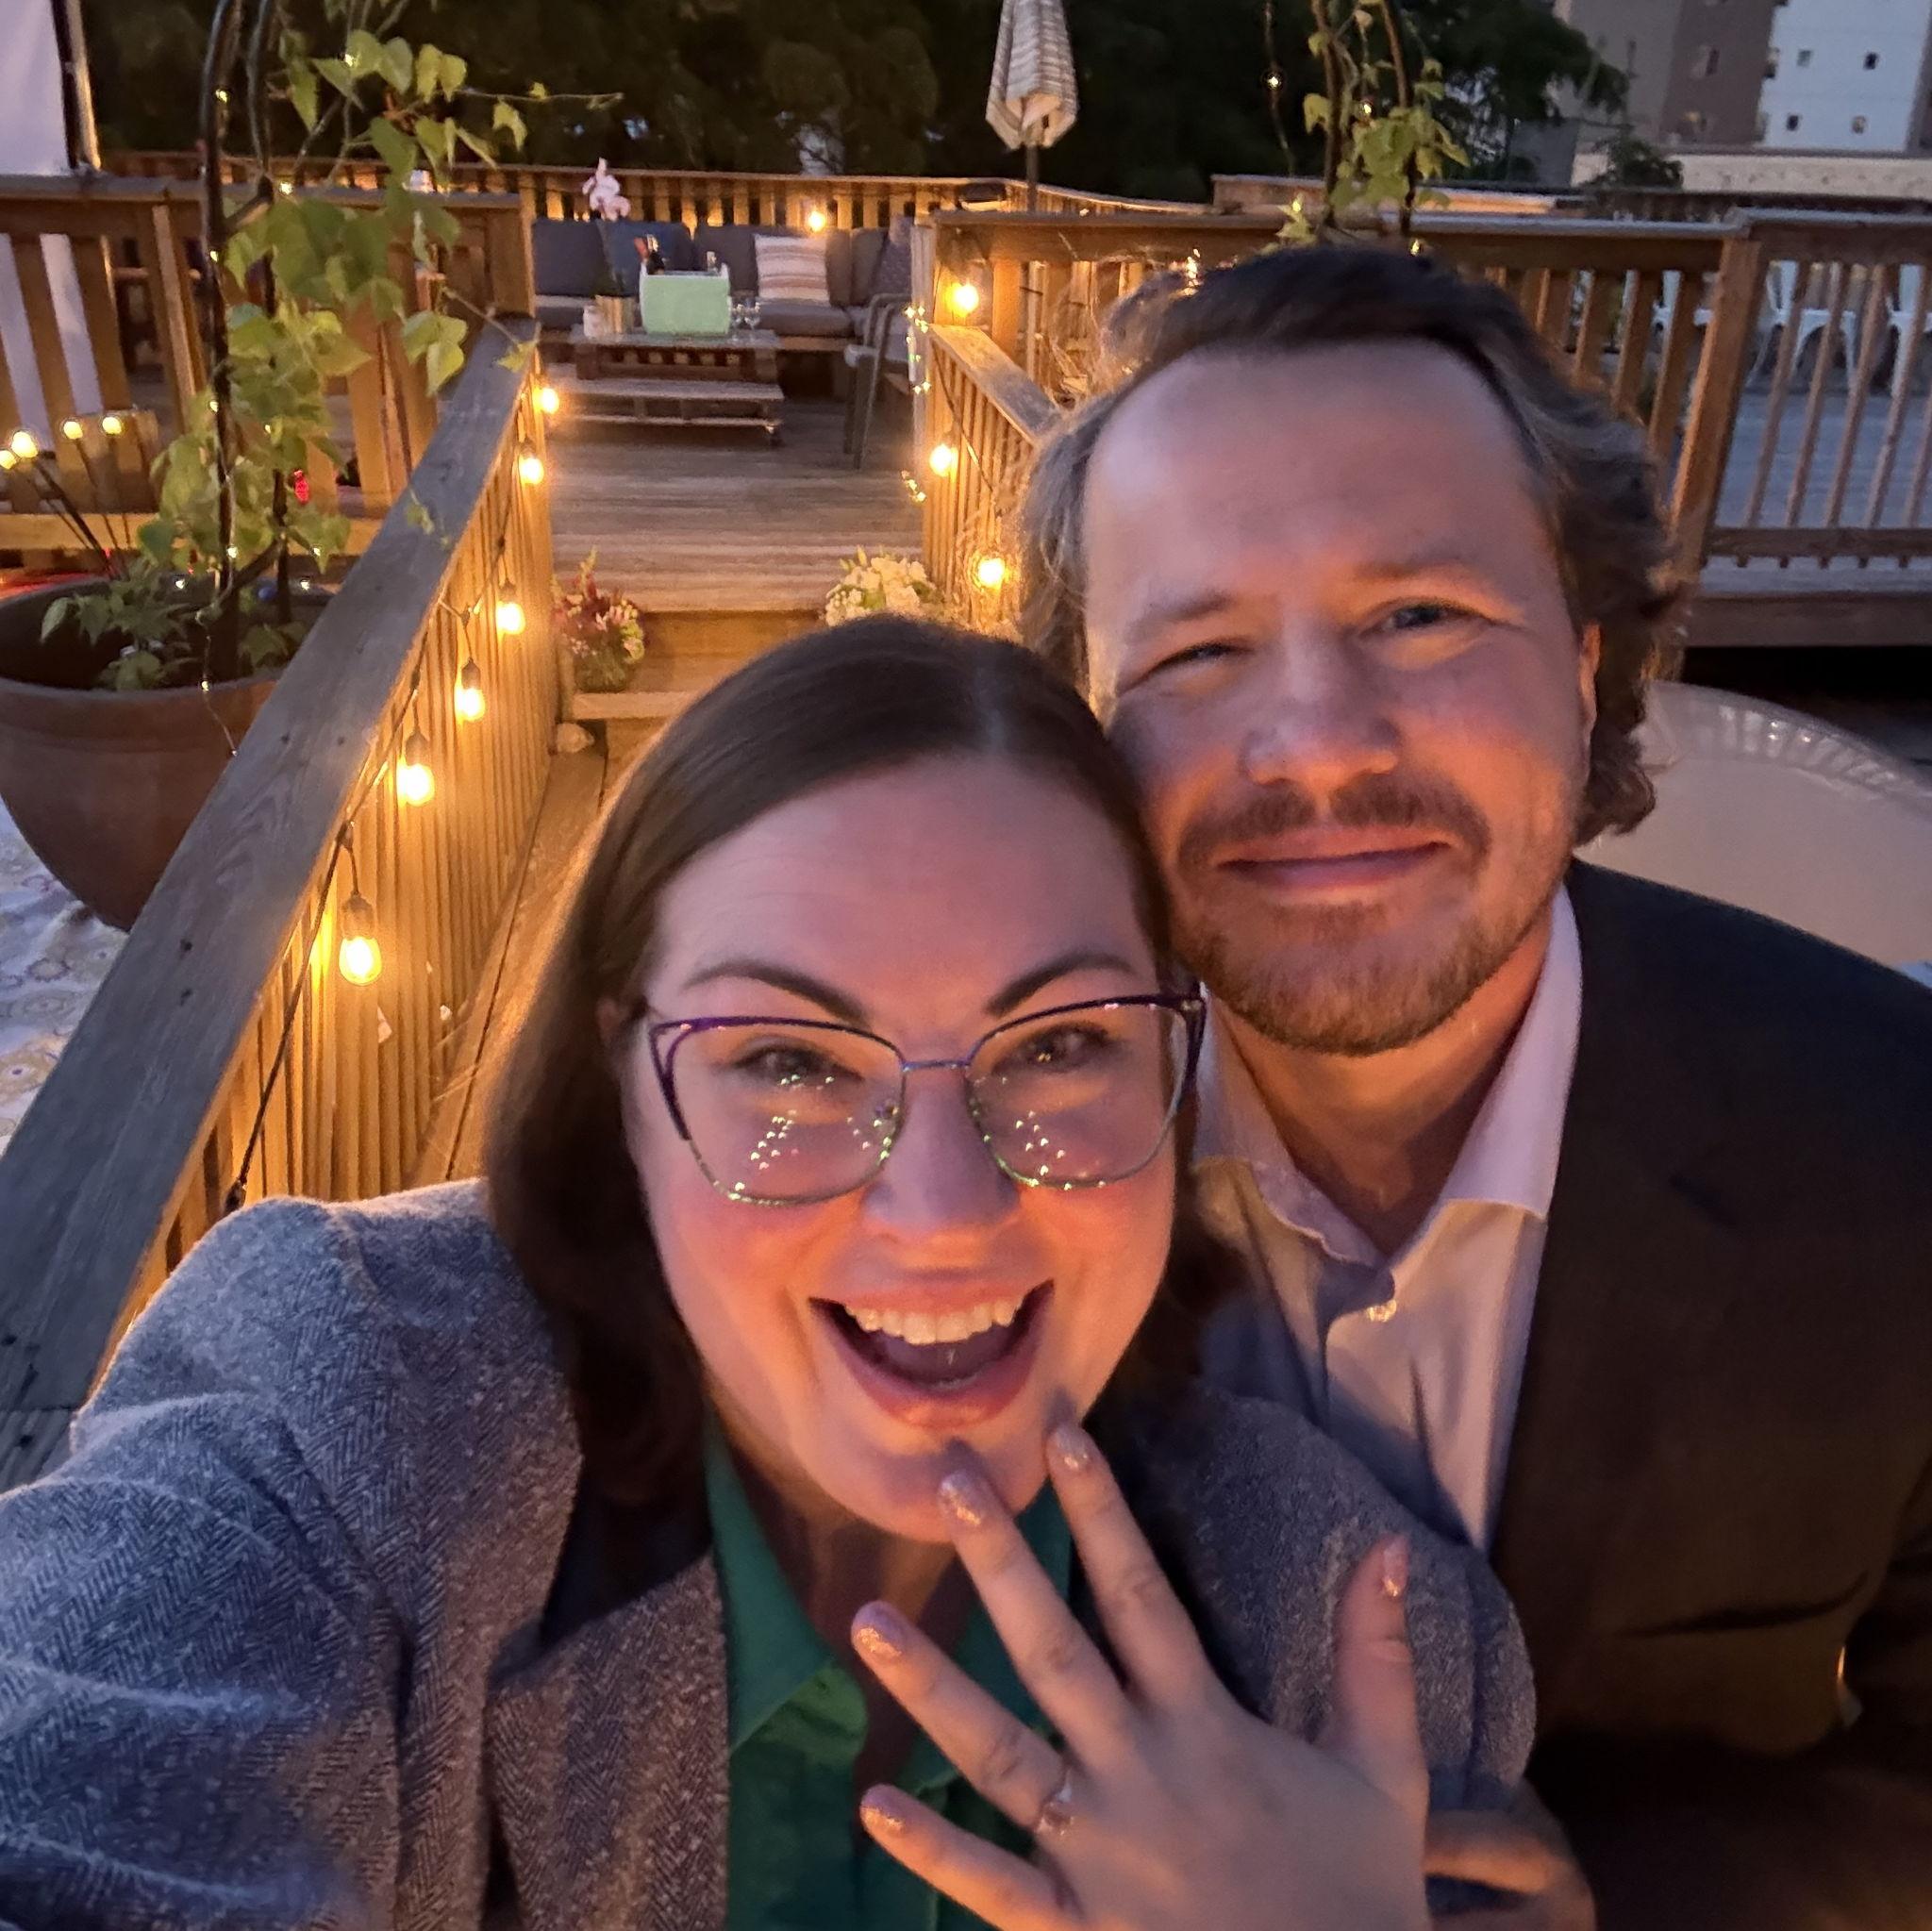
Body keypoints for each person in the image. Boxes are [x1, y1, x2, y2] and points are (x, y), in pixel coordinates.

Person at [0, 620, 1532, 1931]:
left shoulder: (1363, 1653)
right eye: (789, 1061)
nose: (942, 1210)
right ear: (622, 1084)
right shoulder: (342, 1425)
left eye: (1062, 1045)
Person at [1021, 243, 1932, 1931]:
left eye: (1419, 616)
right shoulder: (977, 1152)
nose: (1318, 742)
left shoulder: (1901, 1157)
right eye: (1197, 652)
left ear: (1587, 666)